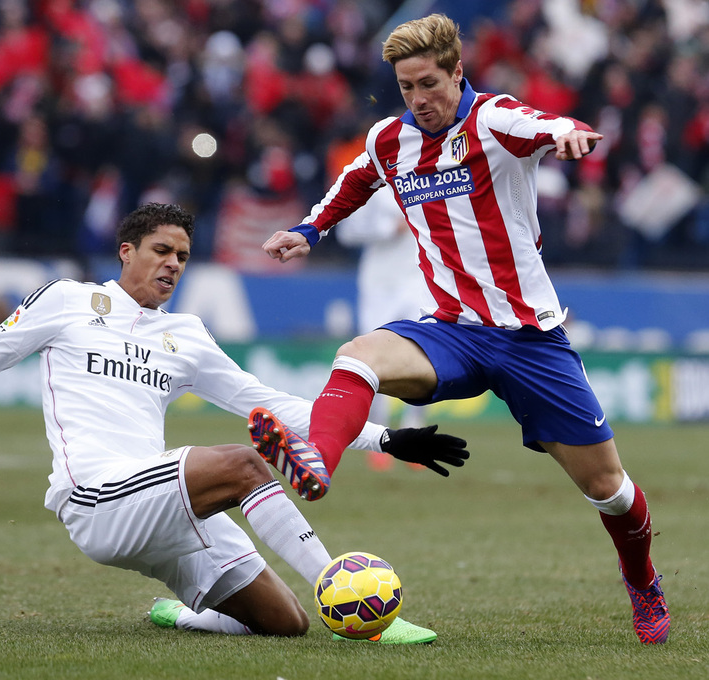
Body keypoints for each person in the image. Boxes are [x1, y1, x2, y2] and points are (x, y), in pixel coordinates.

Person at [0, 203, 468, 643]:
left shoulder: (188, 334)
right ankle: (350, 604)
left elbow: (270, 402)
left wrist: (388, 435)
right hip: (96, 497)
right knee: (244, 462)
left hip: (168, 507)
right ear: (125, 252)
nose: (173, 263)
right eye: (161, 250)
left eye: (182, 255)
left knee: (282, 627)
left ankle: (185, 611)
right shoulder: (67, 302)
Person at [258, 14, 669, 645]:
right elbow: (357, 181)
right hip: (452, 329)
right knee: (358, 354)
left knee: (609, 490)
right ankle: (316, 458)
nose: (419, 99)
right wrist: (310, 229)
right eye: (406, 88)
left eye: (429, 83)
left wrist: (571, 135)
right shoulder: (389, 140)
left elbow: (551, 125)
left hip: (531, 340)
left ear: (457, 72)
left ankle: (642, 582)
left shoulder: (494, 119)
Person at [335, 188, 433, 471]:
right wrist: (389, 228)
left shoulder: (430, 180)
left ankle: (415, 432)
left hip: (419, 280)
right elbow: (347, 232)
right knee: (373, 360)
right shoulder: (372, 186)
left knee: (423, 356)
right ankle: (379, 436)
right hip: (379, 285)